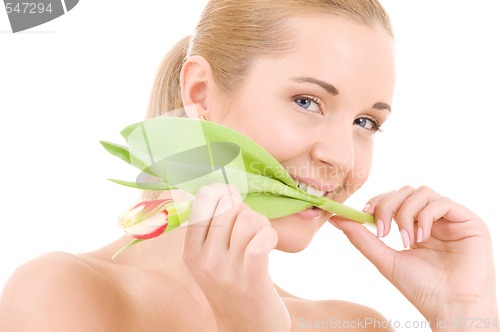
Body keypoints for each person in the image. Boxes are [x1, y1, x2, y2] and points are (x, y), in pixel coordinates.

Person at [0, 0, 498, 331]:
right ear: (200, 94)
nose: (342, 157)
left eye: (366, 122)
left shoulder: (351, 324)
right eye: (307, 101)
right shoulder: (66, 295)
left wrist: (466, 315)